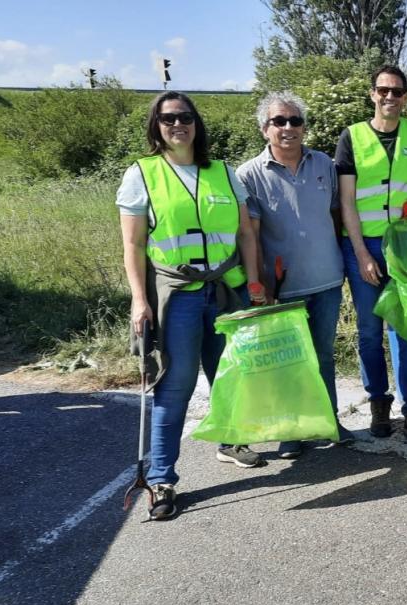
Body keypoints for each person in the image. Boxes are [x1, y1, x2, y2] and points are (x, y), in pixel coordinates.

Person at [117, 91, 264, 520]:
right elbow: (134, 244)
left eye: (184, 117)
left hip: (223, 289)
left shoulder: (223, 172)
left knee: (230, 375)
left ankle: (231, 442)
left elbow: (245, 235)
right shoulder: (142, 174)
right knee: (175, 384)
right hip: (177, 292)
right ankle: (162, 478)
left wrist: (254, 281)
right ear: (156, 126)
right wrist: (139, 300)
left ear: (196, 123)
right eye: (167, 119)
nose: (177, 125)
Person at [237, 91, 356, 459]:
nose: (288, 128)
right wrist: (256, 282)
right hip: (283, 287)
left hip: (326, 278)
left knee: (322, 355)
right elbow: (251, 235)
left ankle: (328, 422)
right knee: (288, 361)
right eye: (279, 121)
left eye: (295, 121)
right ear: (264, 129)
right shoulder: (250, 174)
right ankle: (292, 432)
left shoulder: (323, 163)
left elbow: (337, 215)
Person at [334, 65, 407, 441]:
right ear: (372, 94)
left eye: (397, 92)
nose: (390, 97)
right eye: (383, 91)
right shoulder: (352, 137)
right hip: (365, 244)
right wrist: (361, 253)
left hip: (405, 243)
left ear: (406, 96)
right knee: (368, 331)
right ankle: (379, 404)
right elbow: (346, 201)